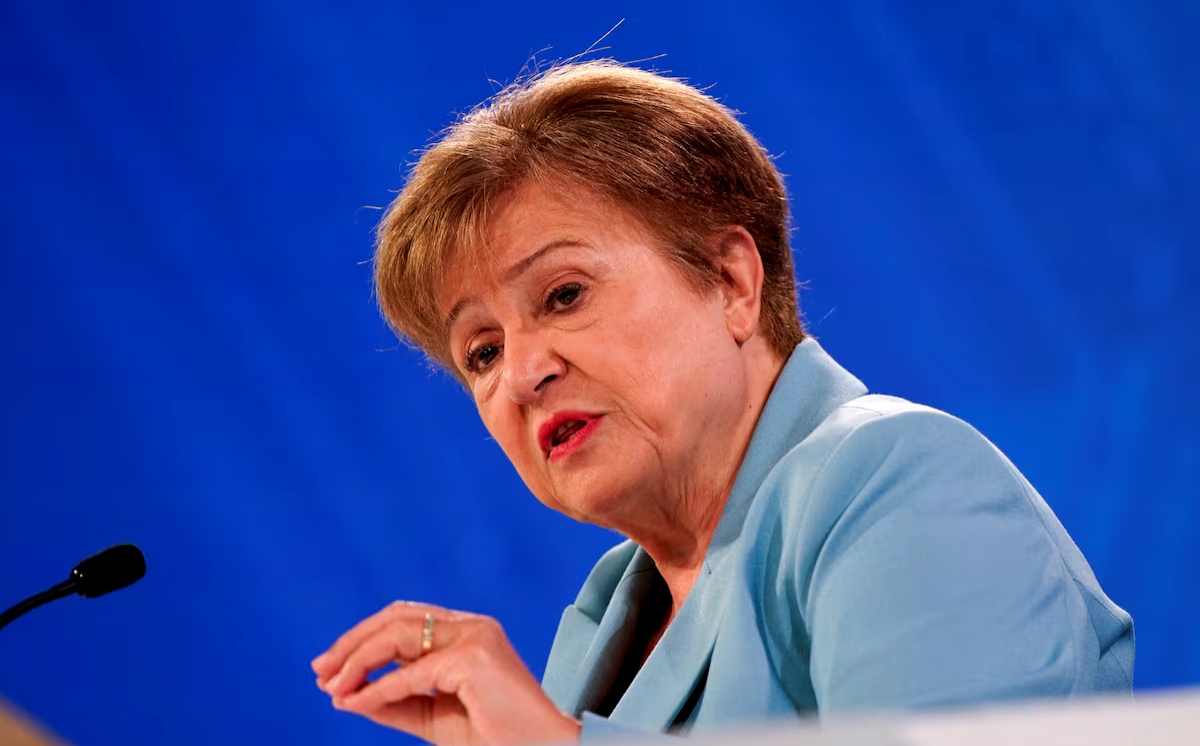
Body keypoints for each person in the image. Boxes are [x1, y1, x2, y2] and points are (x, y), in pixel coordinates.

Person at [310, 61, 1134, 744]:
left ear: (732, 281)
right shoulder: (601, 628)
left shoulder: (899, 479)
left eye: (563, 295)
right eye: (482, 352)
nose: (522, 374)